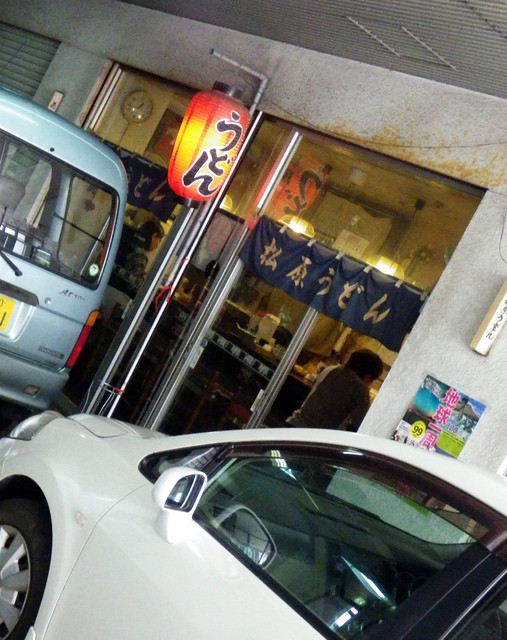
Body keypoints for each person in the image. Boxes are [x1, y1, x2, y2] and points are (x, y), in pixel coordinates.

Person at [286, 349, 384, 432]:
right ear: (368, 377)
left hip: (294, 423)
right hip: (316, 438)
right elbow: (361, 424)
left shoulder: (331, 369)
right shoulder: (361, 389)